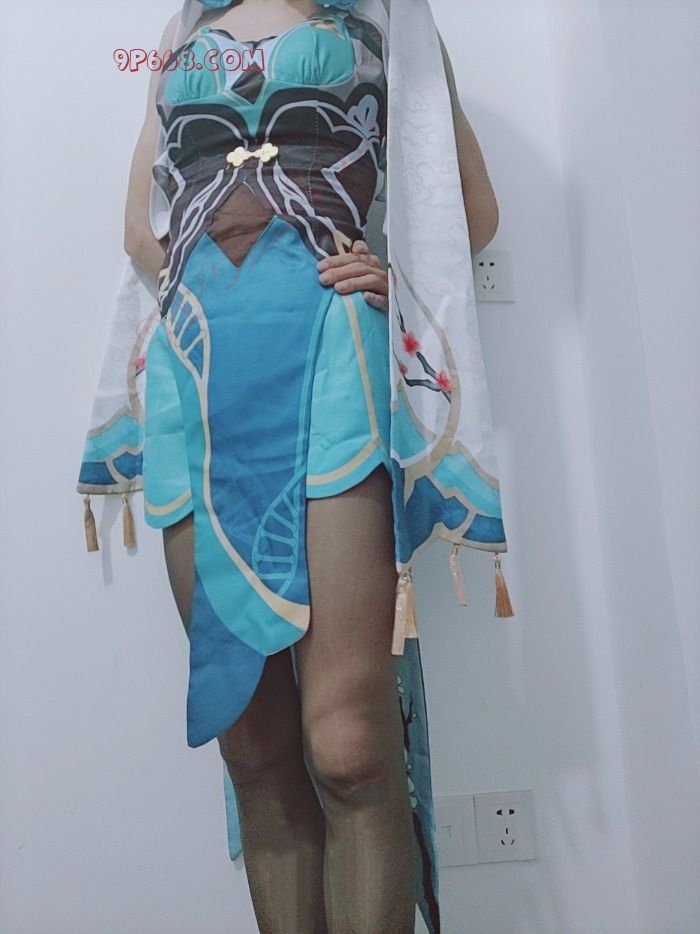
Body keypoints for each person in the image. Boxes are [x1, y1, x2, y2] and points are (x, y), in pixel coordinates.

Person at [79, 1, 507, 930]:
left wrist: (395, 284)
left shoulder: (390, 21)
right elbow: (142, 227)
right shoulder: (182, 31)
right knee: (256, 747)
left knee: (349, 746)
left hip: (333, 363)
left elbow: (468, 210)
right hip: (197, 380)